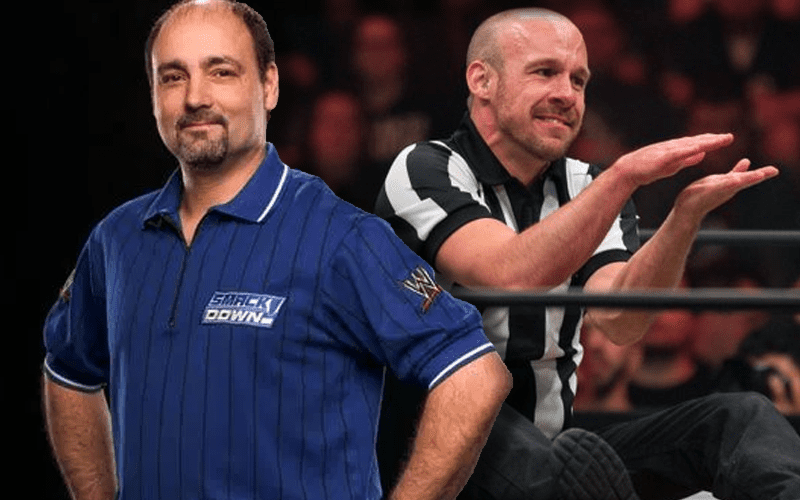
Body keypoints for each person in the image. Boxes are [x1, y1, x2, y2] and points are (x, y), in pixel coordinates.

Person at [40, 1, 512, 499]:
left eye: (221, 72)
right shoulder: (116, 239)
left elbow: (473, 376)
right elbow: (67, 371)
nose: (195, 97)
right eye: (173, 77)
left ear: (269, 86)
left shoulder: (341, 237)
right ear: (154, 95)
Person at [375, 7, 800, 500]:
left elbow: (622, 319)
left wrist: (683, 220)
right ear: (482, 80)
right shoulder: (425, 167)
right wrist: (623, 177)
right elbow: (509, 272)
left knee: (740, 418)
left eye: (578, 80)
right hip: (441, 445)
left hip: (560, 453)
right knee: (532, 450)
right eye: (545, 72)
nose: (567, 94)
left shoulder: (586, 184)